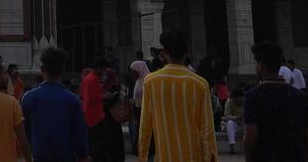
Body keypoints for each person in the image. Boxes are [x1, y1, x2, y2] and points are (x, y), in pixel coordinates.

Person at [139, 28, 219, 162]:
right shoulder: (199, 84)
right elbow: (207, 131)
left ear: (164, 52)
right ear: (187, 50)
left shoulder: (151, 82)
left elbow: (145, 126)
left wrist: (143, 157)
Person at [244, 41, 308, 162]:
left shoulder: (253, 96)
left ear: (261, 66)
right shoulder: (299, 96)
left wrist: (249, 158)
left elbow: (250, 136)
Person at [20, 47, 88, 162]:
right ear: (62, 71)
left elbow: (25, 132)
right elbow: (80, 134)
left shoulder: (28, 98)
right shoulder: (72, 99)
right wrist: (83, 155)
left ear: (42, 69)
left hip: (40, 156)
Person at [90, 90, 130, 162]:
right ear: (111, 108)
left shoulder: (115, 124)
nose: (122, 110)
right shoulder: (103, 128)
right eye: (119, 107)